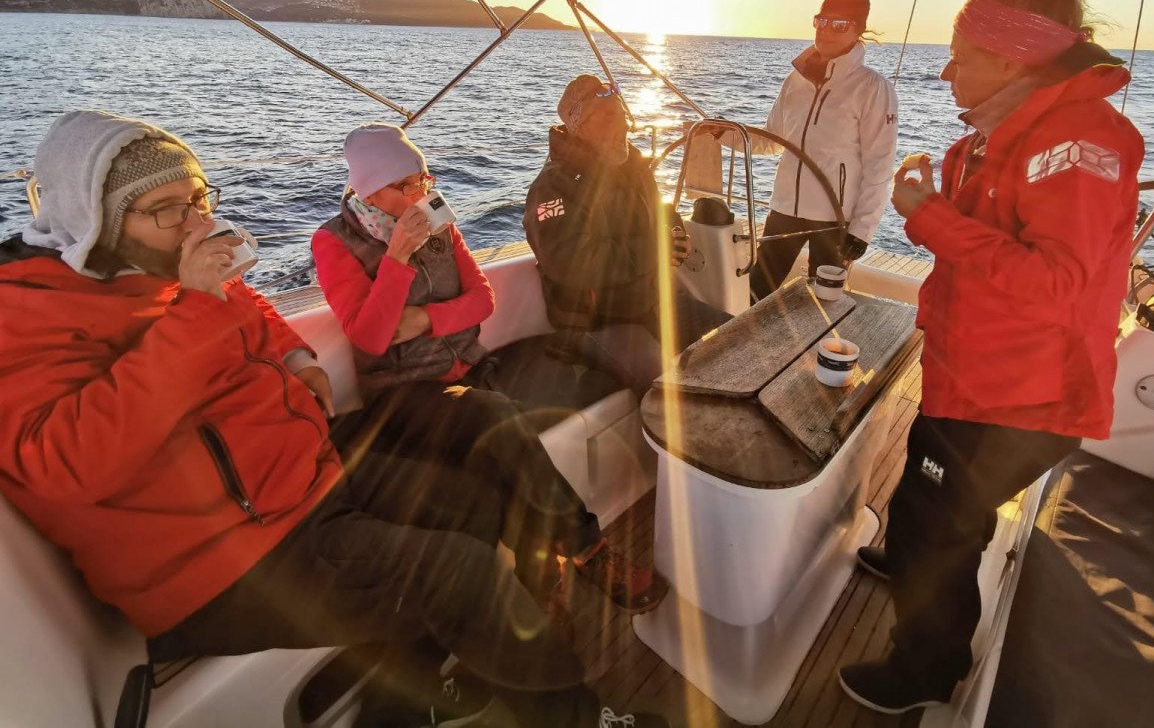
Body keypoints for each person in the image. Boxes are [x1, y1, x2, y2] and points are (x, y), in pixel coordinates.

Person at [0, 110, 669, 728]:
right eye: (166, 209)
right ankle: (577, 715)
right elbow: (63, 465)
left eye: (199, 199)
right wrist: (202, 309)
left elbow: (257, 306)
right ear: (96, 216)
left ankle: (412, 698)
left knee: (475, 496)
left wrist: (297, 356)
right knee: (459, 569)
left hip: (295, 475)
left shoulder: (162, 269)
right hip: (214, 557)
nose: (195, 222)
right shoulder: (28, 311)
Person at [838, 0, 1145, 714]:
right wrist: (934, 203)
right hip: (974, 373)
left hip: (1019, 395)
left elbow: (1054, 282)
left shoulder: (1078, 148)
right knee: (930, 502)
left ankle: (925, 669)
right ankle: (915, 556)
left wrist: (929, 215)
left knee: (936, 519)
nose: (947, 72)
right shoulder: (1003, 132)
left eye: (961, 56)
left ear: (1012, 61)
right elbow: (996, 238)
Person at [311, 122, 665, 615]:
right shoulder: (334, 241)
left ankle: (539, 588)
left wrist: (423, 320)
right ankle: (588, 551)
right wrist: (397, 256)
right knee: (497, 419)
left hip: (470, 367)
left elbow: (483, 299)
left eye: (423, 180)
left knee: (507, 443)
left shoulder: (438, 220)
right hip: (404, 390)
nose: (419, 193)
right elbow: (370, 337)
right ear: (370, 190)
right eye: (406, 185)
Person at [523, 75, 731, 398]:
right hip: (596, 322)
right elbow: (571, 263)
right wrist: (654, 250)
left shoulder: (630, 160)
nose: (622, 125)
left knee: (738, 340)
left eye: (621, 114)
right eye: (607, 117)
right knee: (676, 394)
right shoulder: (552, 187)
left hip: (653, 301)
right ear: (580, 127)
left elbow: (659, 208)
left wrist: (675, 230)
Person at [747, 0, 899, 300]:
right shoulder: (794, 81)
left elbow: (879, 167)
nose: (826, 30)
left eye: (839, 24)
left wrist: (862, 230)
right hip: (784, 209)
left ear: (858, 30)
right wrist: (722, 133)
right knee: (755, 292)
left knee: (824, 302)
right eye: (821, 20)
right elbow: (771, 140)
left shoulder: (873, 88)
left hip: (835, 219)